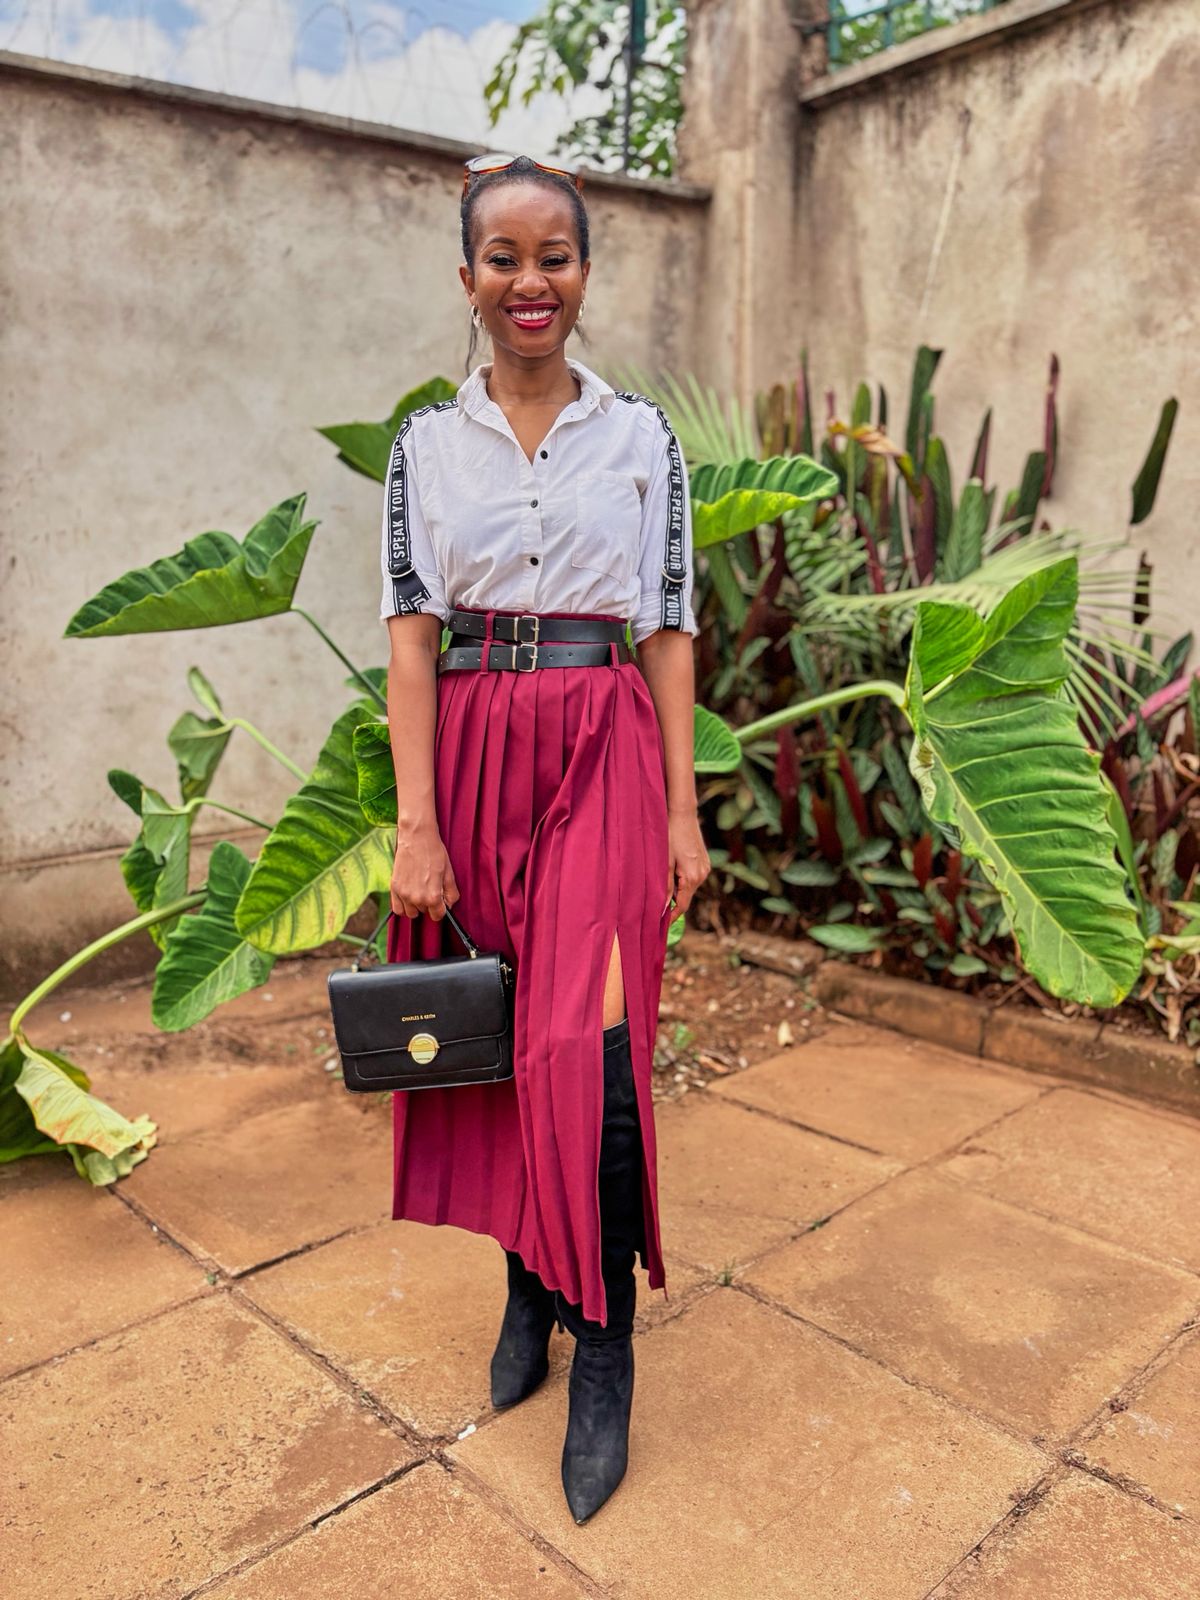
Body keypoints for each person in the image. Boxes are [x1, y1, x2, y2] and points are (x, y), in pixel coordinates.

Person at [379, 151, 710, 1524]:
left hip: (602, 744)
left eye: (555, 257)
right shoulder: (423, 449)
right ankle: (525, 1285)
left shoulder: (642, 440)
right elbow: (409, 636)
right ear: (469, 280)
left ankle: (606, 1346)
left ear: (583, 274)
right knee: (507, 1043)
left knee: (597, 1050)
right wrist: (416, 823)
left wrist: (686, 809)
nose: (532, 280)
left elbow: (671, 622)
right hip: (473, 752)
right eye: (504, 258)